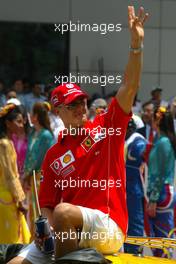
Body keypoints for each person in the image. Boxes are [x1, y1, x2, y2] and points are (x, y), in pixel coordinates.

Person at [9, 6, 149, 264]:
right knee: (16, 261)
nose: (81, 107)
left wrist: (136, 46)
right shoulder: (54, 153)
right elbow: (48, 206)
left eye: (83, 101)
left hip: (109, 227)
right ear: (58, 110)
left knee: (64, 212)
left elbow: (130, 86)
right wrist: (45, 232)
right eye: (73, 104)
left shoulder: (106, 128)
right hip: (66, 229)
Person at [147, 107, 176, 257]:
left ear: (157, 121)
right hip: (162, 192)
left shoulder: (163, 142)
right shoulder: (162, 141)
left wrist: (153, 199)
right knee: (160, 238)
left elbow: (160, 173)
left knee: (162, 238)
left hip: (162, 193)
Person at [0, 104, 31, 244]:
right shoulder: (4, 144)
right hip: (6, 198)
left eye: (22, 121)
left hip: (7, 197)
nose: (21, 125)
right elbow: (10, 176)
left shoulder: (7, 142)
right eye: (18, 121)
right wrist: (20, 200)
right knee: (13, 242)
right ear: (7, 123)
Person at [23, 102, 55, 235]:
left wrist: (26, 175)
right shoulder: (33, 134)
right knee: (31, 211)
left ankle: (43, 240)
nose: (30, 115)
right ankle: (33, 240)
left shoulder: (46, 135)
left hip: (40, 178)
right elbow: (29, 156)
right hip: (31, 178)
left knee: (39, 210)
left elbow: (39, 158)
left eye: (31, 113)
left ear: (35, 116)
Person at [124, 118, 147, 254]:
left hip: (135, 189)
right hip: (127, 188)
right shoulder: (128, 141)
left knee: (135, 222)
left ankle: (135, 252)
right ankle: (129, 250)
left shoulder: (137, 142)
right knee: (127, 223)